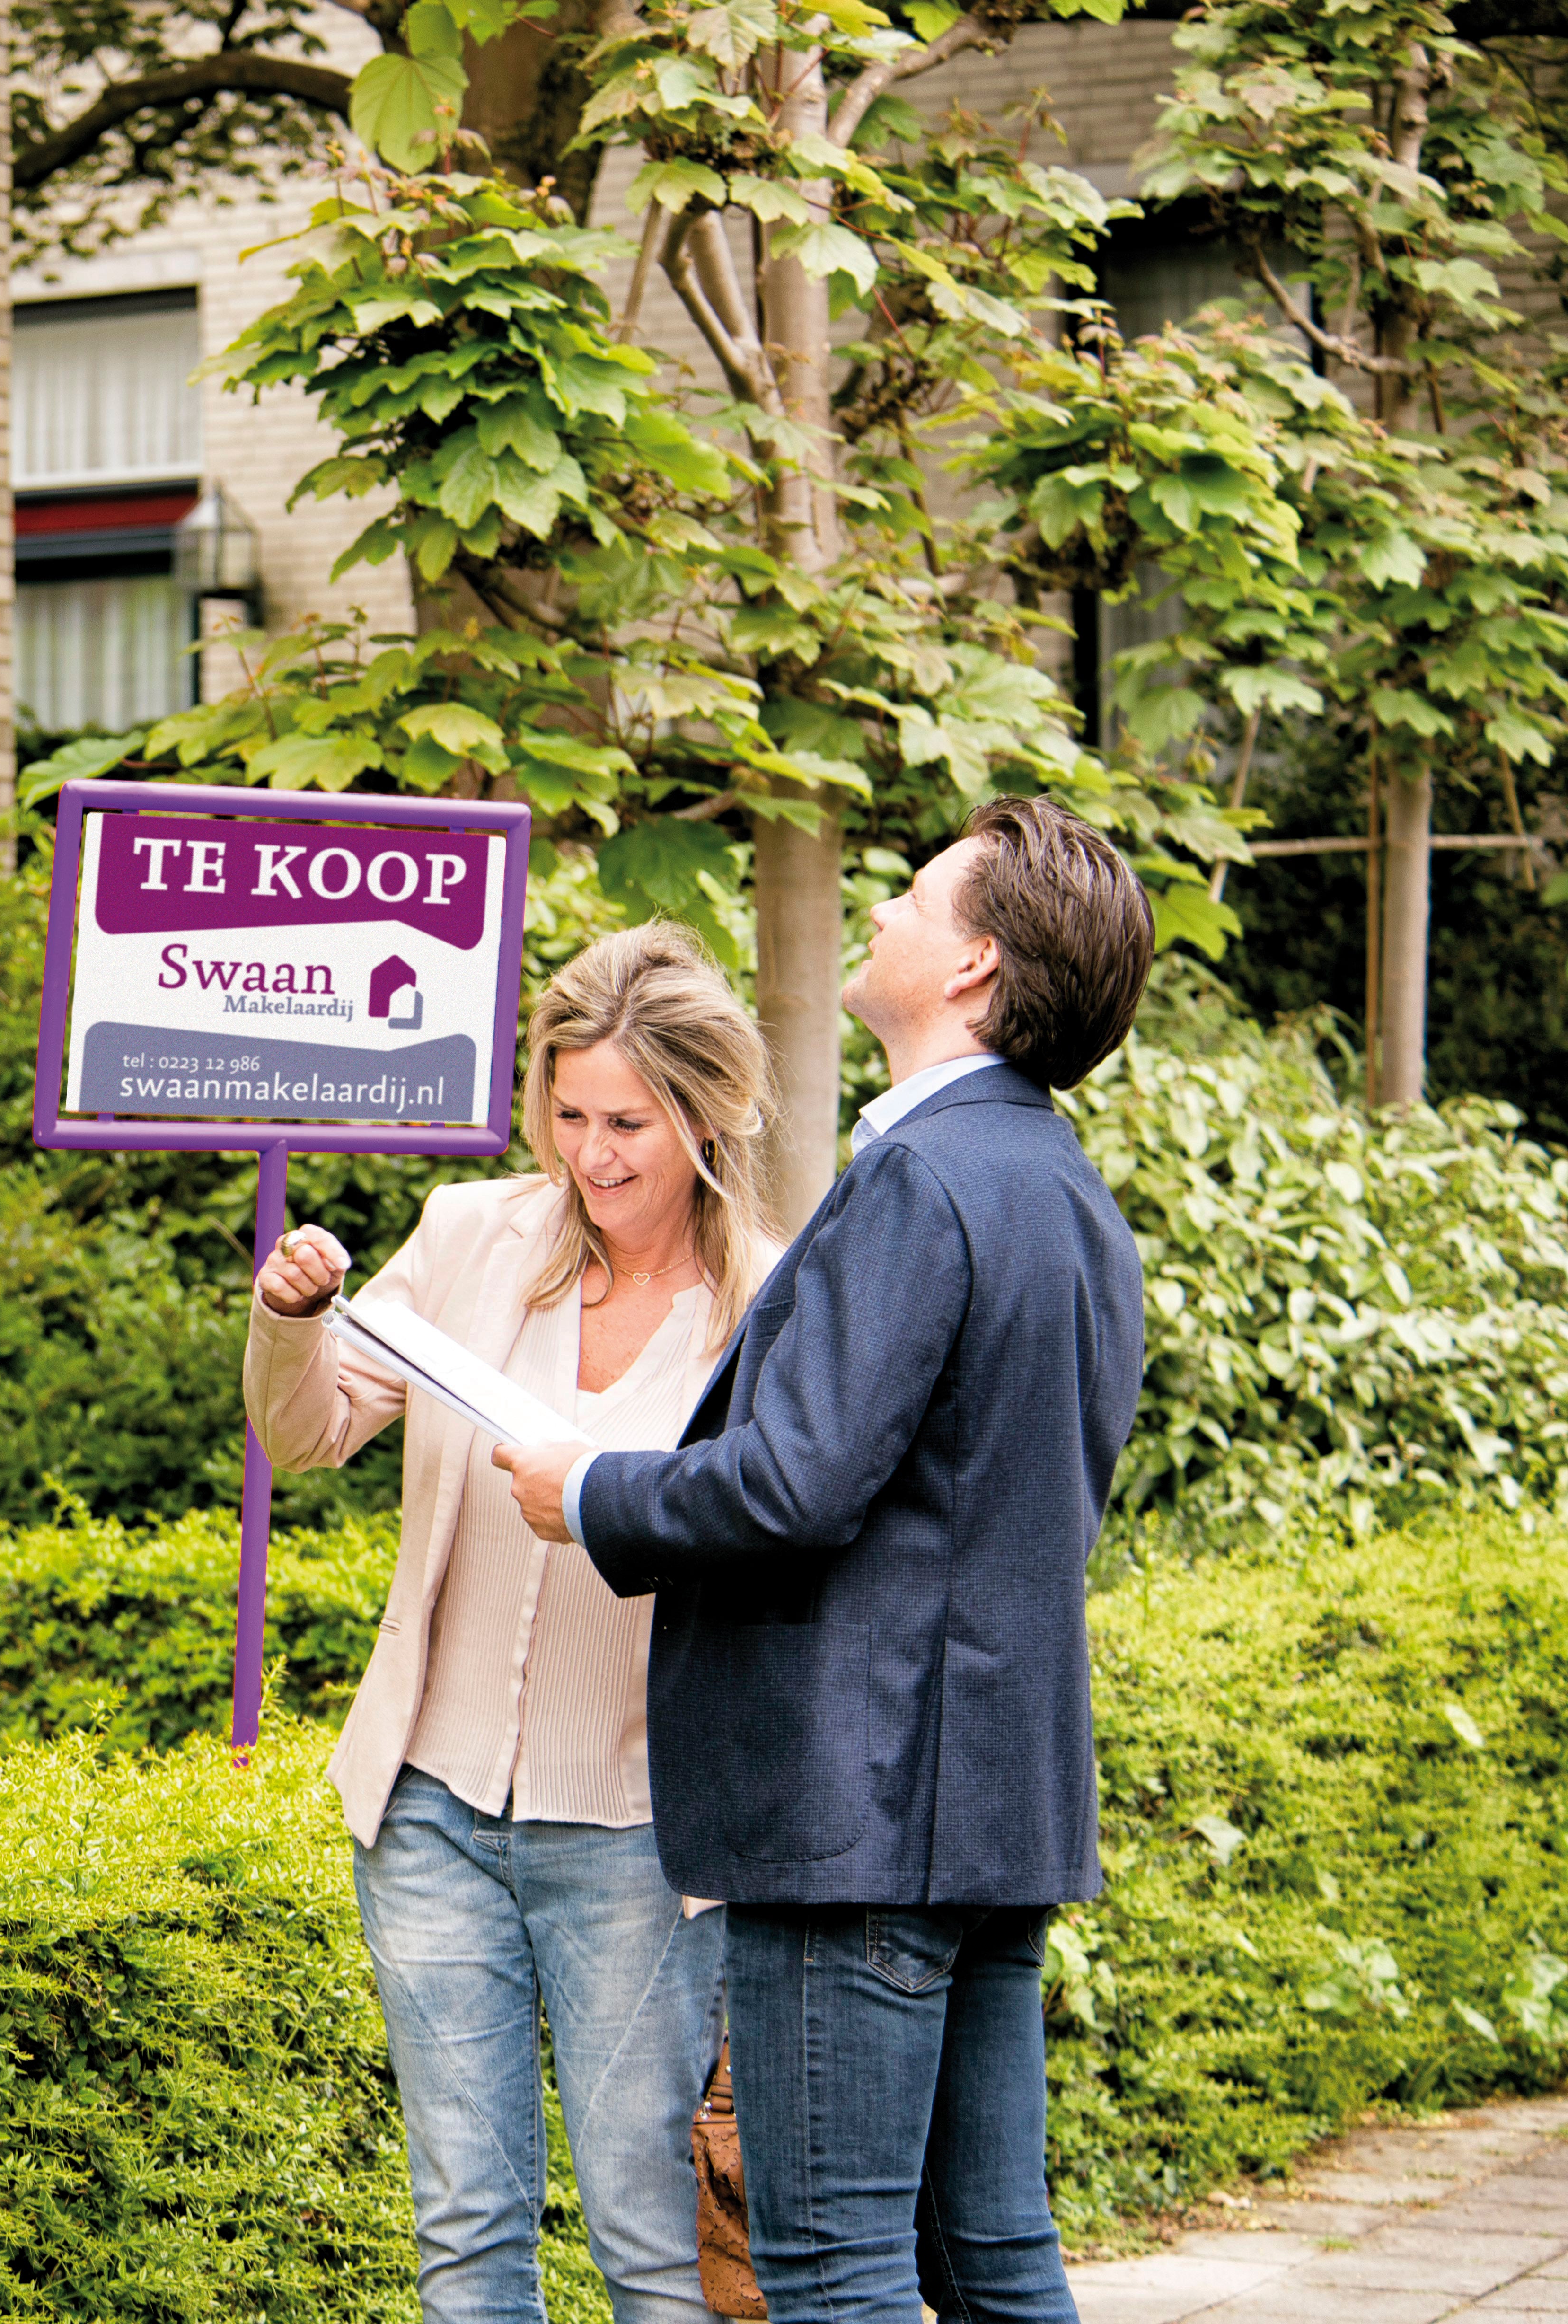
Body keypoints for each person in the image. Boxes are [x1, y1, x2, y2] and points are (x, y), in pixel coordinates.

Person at [489, 796, 1157, 2324]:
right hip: (992, 1805)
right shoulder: (1064, 1194)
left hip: (857, 1818)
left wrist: (592, 1490)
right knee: (993, 2258)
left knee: (832, 2267)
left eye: (917, 894)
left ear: (976, 967)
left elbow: (795, 1485)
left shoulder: (923, 1181)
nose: (884, 909)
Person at [247, 922, 781, 2324]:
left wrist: (615, 1506)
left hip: (638, 1833)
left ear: (708, 1115)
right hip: (430, 1811)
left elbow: (781, 1540)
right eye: (567, 1113)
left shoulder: (767, 1307)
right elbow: (305, 1432)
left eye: (631, 1122)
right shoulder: (473, 1238)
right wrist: (288, 1320)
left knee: (652, 2244)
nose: (592, 1155)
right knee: (467, 2235)